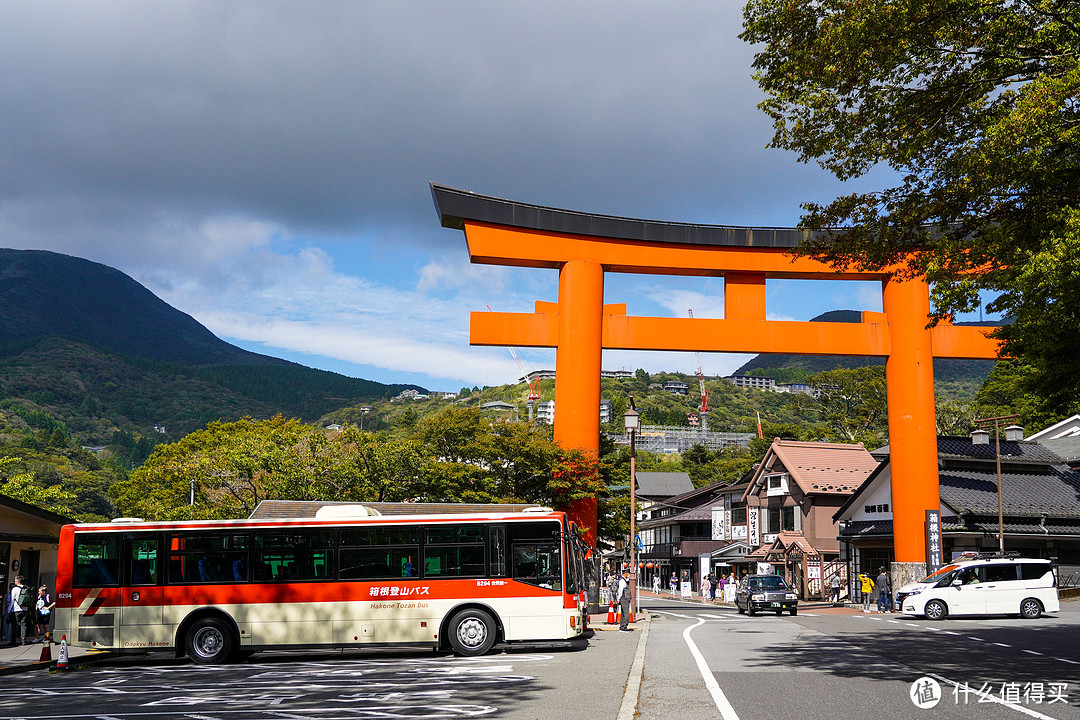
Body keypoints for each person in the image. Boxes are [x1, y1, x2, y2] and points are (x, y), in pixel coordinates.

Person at [8, 575, 30, 646]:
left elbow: (12, 600)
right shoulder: (26, 588)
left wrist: (9, 610)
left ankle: (13, 641)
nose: (14, 582)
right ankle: (23, 640)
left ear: (17, 581)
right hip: (25, 609)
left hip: (16, 609)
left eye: (15, 581)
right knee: (23, 624)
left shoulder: (15, 589)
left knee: (14, 625)